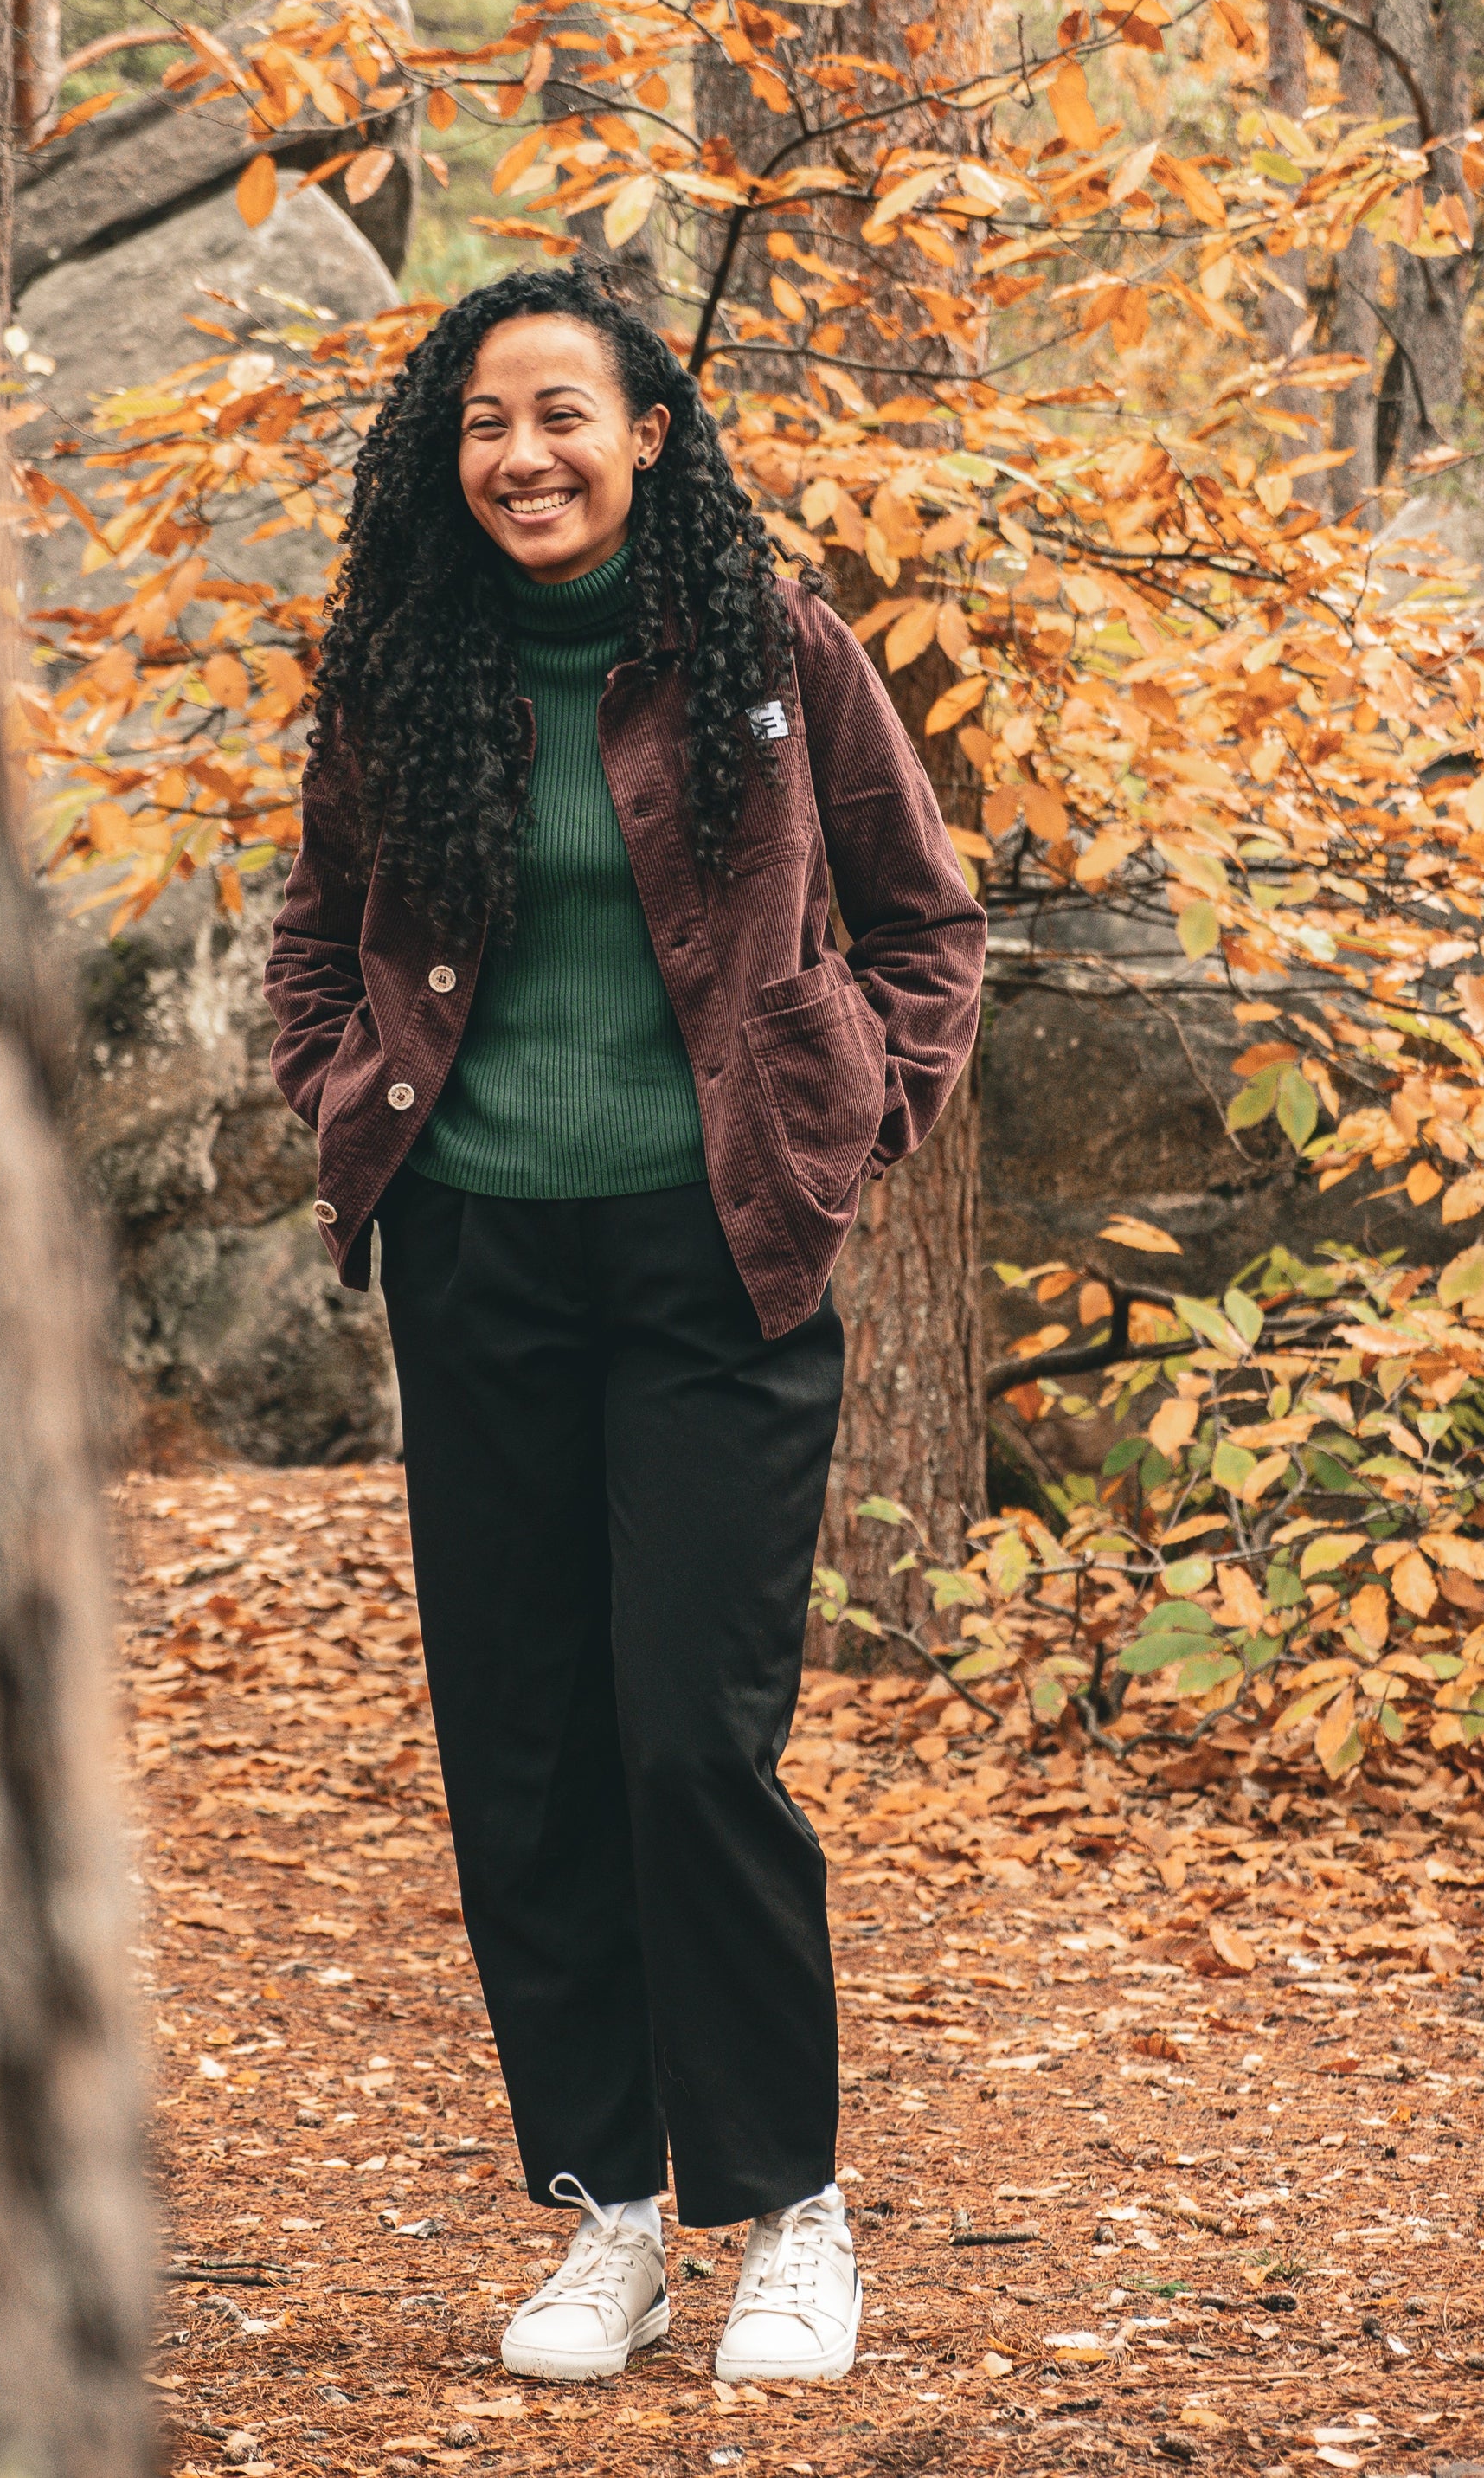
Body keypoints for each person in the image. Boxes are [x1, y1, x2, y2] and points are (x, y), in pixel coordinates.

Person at [263, 263, 984, 2385]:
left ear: (644, 428)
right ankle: (608, 2211)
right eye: (487, 423)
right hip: (476, 1263)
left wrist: (846, 1130)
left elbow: (926, 925)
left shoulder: (767, 647)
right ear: (447, 453)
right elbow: (316, 942)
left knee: (691, 1738)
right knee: (527, 1747)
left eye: (564, 414)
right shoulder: (397, 668)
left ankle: (789, 2213)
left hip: (718, 1266)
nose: (525, 456)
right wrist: (340, 1097)